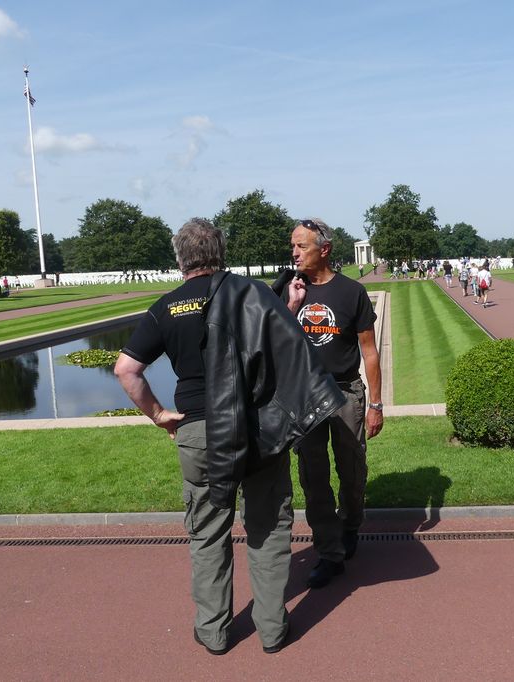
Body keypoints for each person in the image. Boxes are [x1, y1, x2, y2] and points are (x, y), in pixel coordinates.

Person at [115, 218, 342, 655]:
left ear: (180, 257)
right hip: (258, 427)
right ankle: (273, 629)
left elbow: (127, 370)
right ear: (220, 253)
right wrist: (290, 309)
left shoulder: (167, 306)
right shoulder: (251, 292)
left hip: (198, 429)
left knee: (207, 531)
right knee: (269, 527)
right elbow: (285, 347)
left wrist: (160, 414)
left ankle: (214, 630)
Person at [285, 218, 384, 589]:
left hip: (345, 393)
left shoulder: (351, 292)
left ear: (323, 249)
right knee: (313, 476)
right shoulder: (288, 289)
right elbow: (276, 343)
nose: (294, 252)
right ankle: (328, 551)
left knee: (352, 469)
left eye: (301, 246)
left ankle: (350, 526)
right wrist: (291, 306)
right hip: (305, 395)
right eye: (293, 246)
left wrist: (376, 405)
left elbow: (369, 351)